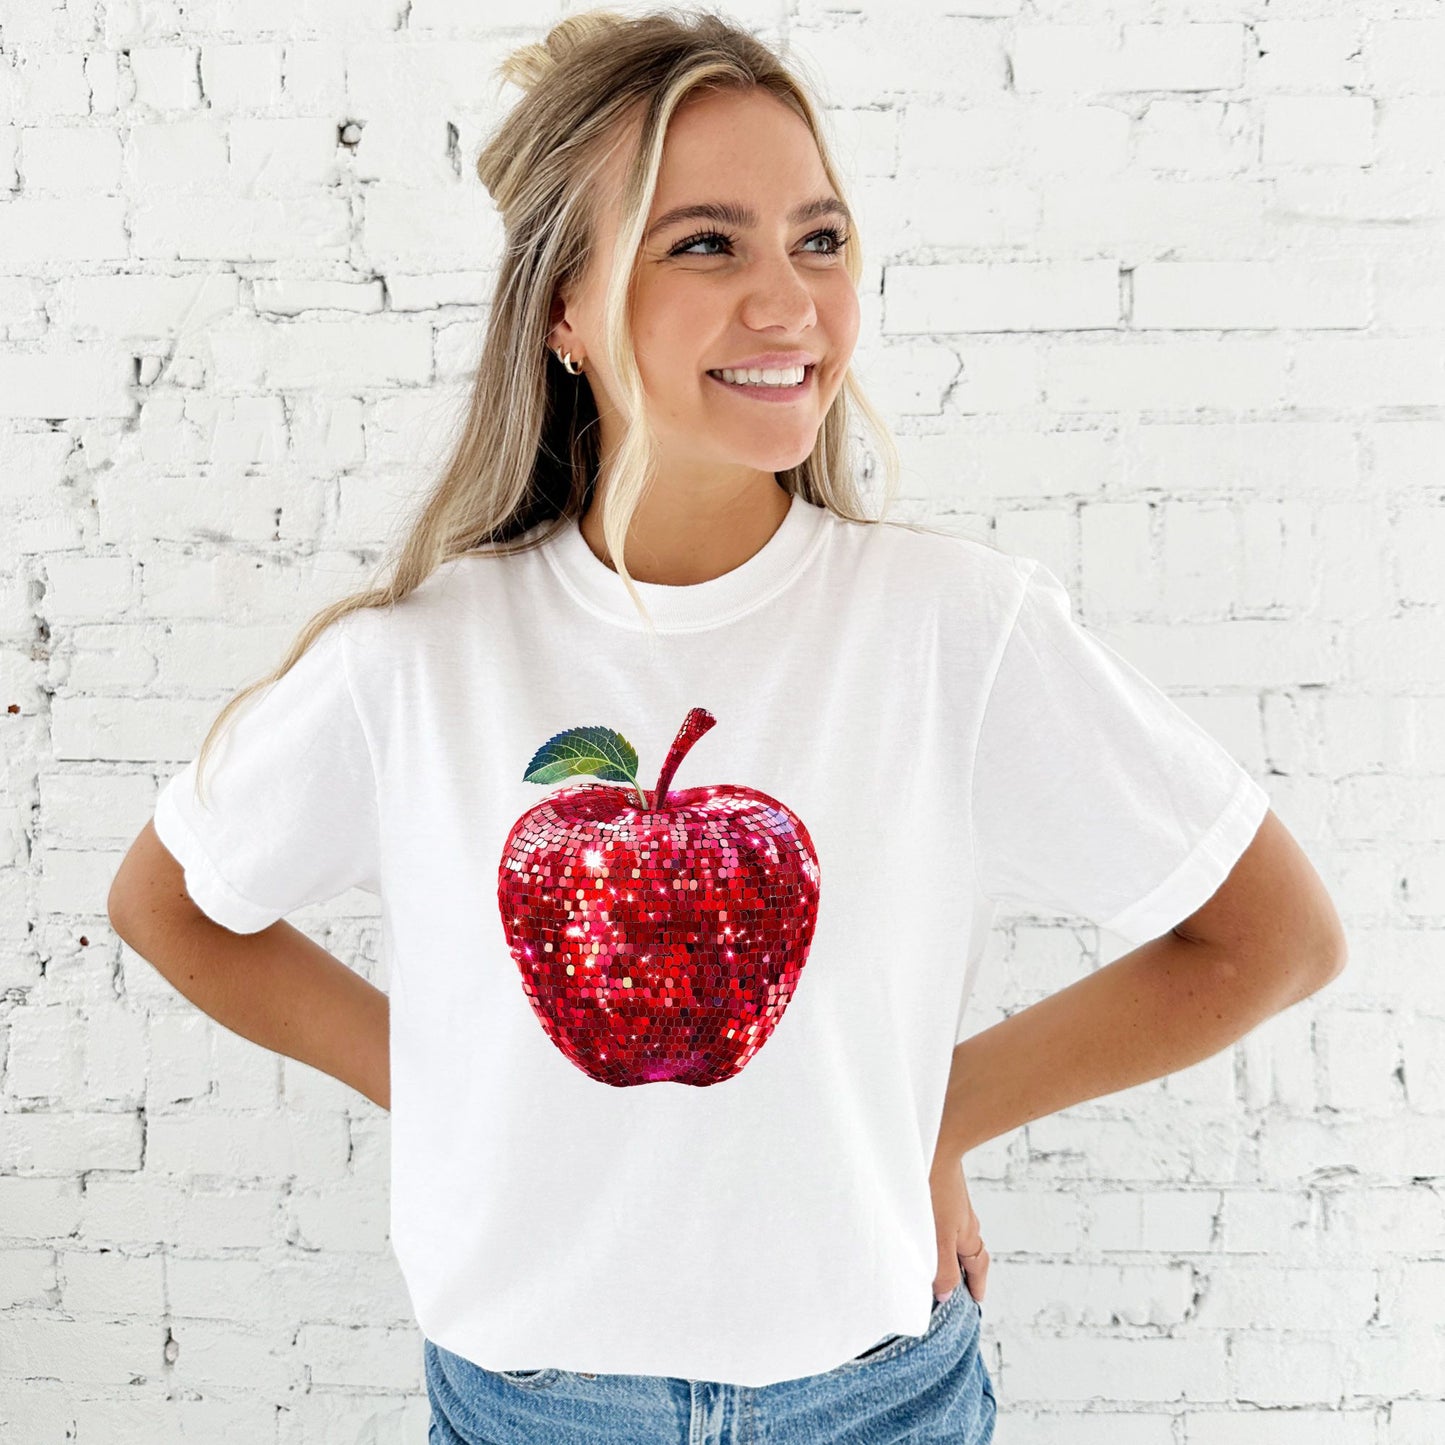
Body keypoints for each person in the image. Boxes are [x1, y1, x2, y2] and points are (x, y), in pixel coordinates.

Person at [106, 8, 1349, 1443]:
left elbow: (1275, 936)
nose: (789, 301)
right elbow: (168, 902)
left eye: (817, 240)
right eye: (705, 243)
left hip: (873, 1396)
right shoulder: (420, 661)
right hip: (531, 1403)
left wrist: (925, 1117)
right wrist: (444, 1084)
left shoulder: (953, 625)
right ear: (561, 309)